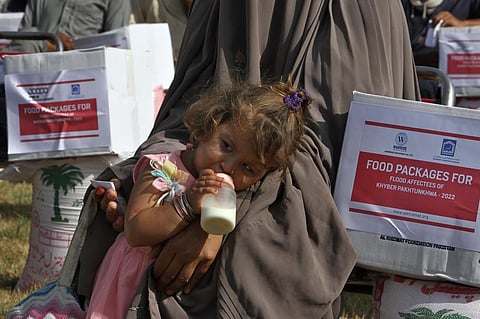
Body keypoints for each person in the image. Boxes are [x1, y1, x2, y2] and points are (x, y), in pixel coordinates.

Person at [73, 0, 420, 318]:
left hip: (291, 184)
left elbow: (324, 148)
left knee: (250, 247)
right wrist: (146, 184)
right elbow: (188, 110)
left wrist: (219, 218)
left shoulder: (352, 15)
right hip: (215, 167)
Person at [85, 80, 312, 318]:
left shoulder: (233, 193)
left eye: (247, 167)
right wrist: (188, 204)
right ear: (208, 127)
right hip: (130, 281)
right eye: (226, 146)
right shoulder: (164, 169)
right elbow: (135, 231)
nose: (229, 166)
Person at [1, 0, 131, 53]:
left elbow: (116, 47)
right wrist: (45, 44)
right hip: (34, 76)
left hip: (84, 79)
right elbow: (23, 38)